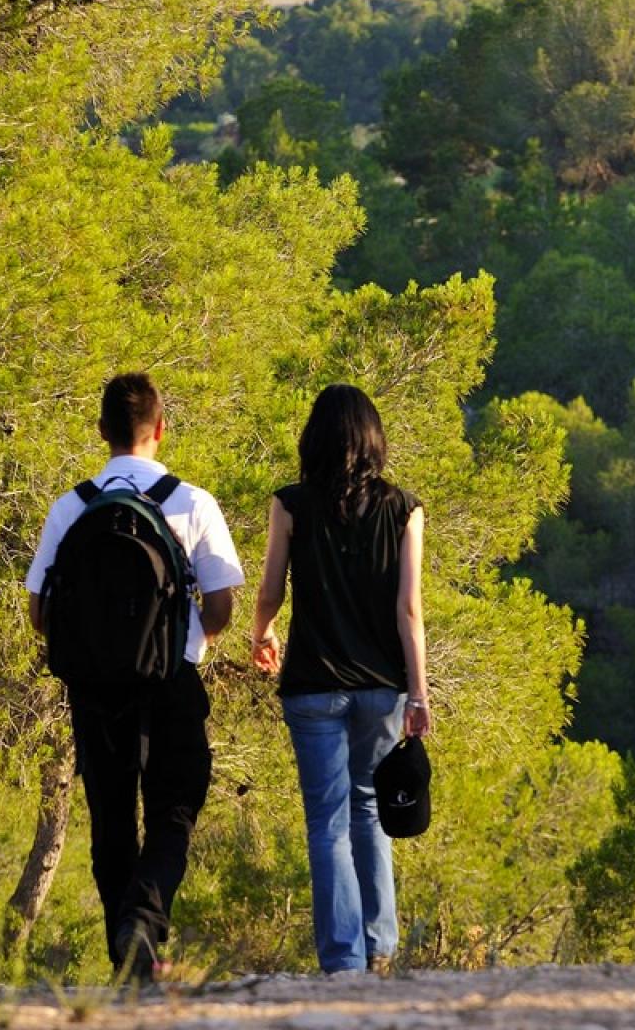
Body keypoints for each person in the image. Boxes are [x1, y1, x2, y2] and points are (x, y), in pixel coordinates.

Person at [25, 372, 244, 980]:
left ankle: (127, 956)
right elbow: (223, 603)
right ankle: (143, 923)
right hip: (171, 678)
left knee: (111, 814)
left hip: (94, 686)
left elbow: (40, 614)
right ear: (160, 429)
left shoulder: (71, 506)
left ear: (102, 431)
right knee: (175, 806)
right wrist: (187, 636)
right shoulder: (192, 501)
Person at [249, 384, 431, 975]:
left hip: (312, 684)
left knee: (326, 820)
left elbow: (271, 590)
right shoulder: (405, 509)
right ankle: (379, 946)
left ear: (314, 439)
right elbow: (409, 611)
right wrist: (420, 693)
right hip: (381, 686)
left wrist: (263, 632)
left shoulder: (291, 504)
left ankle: (343, 961)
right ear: (374, 439)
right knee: (369, 809)